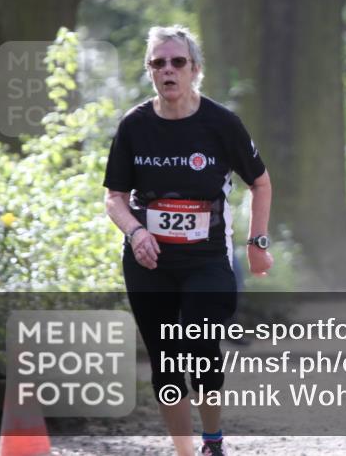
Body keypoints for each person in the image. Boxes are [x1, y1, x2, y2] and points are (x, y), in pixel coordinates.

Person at [104, 26, 273, 456]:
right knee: (164, 358)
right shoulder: (134, 126)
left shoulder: (221, 123)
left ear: (195, 69)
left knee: (200, 347)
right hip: (149, 261)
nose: (168, 70)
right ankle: (183, 451)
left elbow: (260, 182)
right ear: (149, 71)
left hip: (206, 259)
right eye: (158, 63)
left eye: (177, 62)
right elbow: (114, 197)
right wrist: (136, 232)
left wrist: (257, 242)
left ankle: (212, 441)